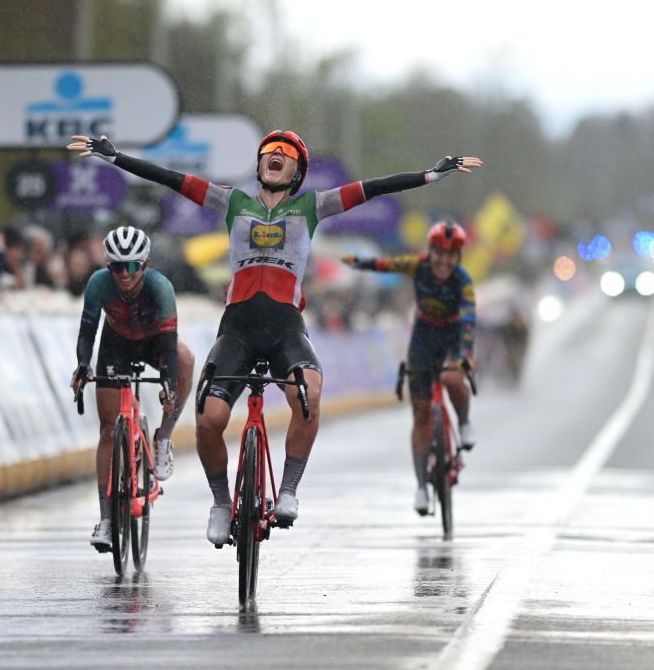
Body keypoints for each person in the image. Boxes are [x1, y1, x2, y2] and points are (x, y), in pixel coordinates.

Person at [68, 132, 482, 545]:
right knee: (208, 419)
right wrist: (115, 157)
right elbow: (170, 178)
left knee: (309, 394)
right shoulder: (231, 202)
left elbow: (373, 188)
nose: (276, 156)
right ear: (260, 163)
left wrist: (429, 176)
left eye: (286, 154)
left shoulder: (313, 206)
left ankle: (287, 490)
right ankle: (220, 503)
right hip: (238, 327)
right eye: (270, 151)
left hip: (285, 326)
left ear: (298, 172)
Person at [69, 226, 195, 552]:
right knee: (109, 431)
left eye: (133, 266)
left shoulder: (160, 287)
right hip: (116, 345)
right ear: (108, 266)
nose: (125, 274)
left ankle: (163, 437)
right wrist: (83, 365)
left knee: (185, 358)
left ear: (145, 264)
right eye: (117, 267)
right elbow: (87, 331)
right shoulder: (98, 283)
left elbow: (169, 343)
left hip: (154, 343)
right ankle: (106, 520)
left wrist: (168, 385)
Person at [343, 221, 478, 515]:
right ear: (429, 252)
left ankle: (464, 422)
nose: (443, 261)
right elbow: (387, 264)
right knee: (421, 414)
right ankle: (421, 488)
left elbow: (469, 321)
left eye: (451, 255)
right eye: (438, 253)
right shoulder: (418, 266)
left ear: (458, 257)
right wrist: (359, 262)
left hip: (453, 336)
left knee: (453, 378)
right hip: (424, 336)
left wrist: (466, 355)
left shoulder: (463, 280)